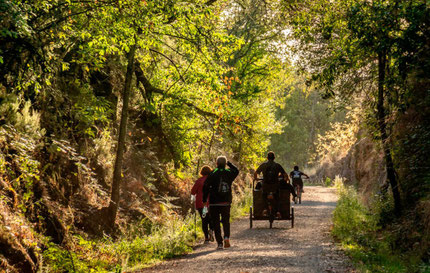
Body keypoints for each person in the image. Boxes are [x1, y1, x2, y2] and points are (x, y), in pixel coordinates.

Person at [203, 156, 239, 250]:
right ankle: (226, 237)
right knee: (226, 221)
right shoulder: (228, 173)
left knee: (216, 222)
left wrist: (204, 200)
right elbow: (236, 171)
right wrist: (229, 164)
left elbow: (205, 186)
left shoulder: (213, 173)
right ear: (225, 163)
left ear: (216, 163)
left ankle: (219, 243)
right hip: (226, 202)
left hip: (214, 202)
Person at [254, 151, 289, 218]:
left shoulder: (263, 165)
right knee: (277, 197)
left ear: (267, 158)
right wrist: (286, 179)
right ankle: (278, 211)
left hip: (265, 186)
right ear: (274, 158)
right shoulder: (277, 165)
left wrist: (256, 179)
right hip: (275, 186)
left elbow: (256, 173)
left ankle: (265, 209)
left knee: (264, 196)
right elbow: (285, 175)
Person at [191, 165, 214, 243]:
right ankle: (211, 230)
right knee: (211, 218)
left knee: (204, 220)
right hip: (211, 203)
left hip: (202, 204)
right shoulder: (212, 180)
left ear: (202, 172)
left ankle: (206, 238)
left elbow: (193, 192)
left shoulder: (199, 181)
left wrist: (193, 199)